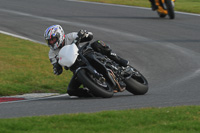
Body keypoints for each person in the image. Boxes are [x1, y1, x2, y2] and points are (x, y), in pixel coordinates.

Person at [44, 25, 129, 97]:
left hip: (85, 54)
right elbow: (55, 66)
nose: (51, 42)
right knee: (71, 90)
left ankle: (119, 60)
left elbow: (90, 36)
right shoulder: (51, 53)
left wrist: (84, 34)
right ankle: (92, 92)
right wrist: (57, 68)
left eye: (53, 39)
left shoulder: (70, 36)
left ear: (60, 35)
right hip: (76, 68)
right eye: (49, 41)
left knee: (97, 43)